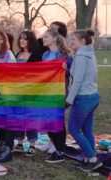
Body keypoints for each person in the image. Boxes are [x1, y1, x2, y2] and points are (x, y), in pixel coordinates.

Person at [66, 29, 102, 172]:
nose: (71, 42)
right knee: (87, 129)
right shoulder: (89, 54)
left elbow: (78, 81)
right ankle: (89, 157)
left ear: (82, 41)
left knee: (73, 129)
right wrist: (68, 68)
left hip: (83, 98)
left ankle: (92, 159)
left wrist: (69, 100)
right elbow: (85, 75)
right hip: (93, 96)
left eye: (73, 39)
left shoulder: (80, 56)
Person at [41, 28, 73, 163]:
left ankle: (60, 150)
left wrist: (67, 69)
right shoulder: (45, 55)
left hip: (58, 94)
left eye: (46, 37)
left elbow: (74, 72)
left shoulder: (65, 56)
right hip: (45, 94)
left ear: (54, 38)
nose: (43, 39)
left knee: (58, 122)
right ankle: (56, 146)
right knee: (48, 121)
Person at [12, 30, 42, 157]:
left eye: (25, 38)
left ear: (31, 40)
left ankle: (32, 145)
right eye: (20, 38)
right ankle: (19, 142)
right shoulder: (19, 54)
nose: (21, 41)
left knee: (30, 117)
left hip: (32, 91)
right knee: (19, 116)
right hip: (18, 91)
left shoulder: (36, 54)